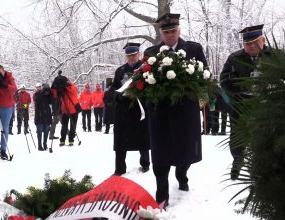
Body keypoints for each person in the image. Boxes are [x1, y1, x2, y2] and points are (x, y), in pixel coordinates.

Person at [143, 13, 207, 208]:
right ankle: (161, 196)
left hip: (185, 113)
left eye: (173, 31)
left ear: (179, 31)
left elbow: (204, 73)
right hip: (159, 114)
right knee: (160, 154)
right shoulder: (151, 52)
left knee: (184, 150)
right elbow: (143, 79)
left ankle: (182, 174)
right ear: (161, 33)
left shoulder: (193, 49)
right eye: (166, 32)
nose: (170, 35)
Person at [220, 24, 269, 180]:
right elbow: (224, 80)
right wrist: (240, 85)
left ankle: (262, 165)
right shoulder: (234, 58)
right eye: (248, 43)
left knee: (264, 135)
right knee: (237, 136)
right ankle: (237, 161)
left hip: (266, 105)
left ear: (263, 40)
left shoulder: (274, 55)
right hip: (241, 104)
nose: (252, 46)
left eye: (255, 42)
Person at [111, 42, 150, 176]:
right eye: (129, 56)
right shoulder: (120, 71)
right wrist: (118, 97)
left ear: (138, 54)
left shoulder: (145, 69)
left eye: (134, 55)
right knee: (121, 139)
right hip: (124, 110)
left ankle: (145, 164)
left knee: (143, 138)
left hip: (141, 109)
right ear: (126, 57)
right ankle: (120, 168)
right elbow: (114, 89)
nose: (132, 58)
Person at [52, 71, 80, 146]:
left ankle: (71, 140)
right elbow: (55, 95)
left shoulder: (72, 87)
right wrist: (58, 88)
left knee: (73, 126)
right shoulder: (62, 91)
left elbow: (74, 90)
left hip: (74, 110)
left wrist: (66, 86)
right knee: (64, 126)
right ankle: (62, 140)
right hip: (65, 110)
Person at [34, 83, 53, 151]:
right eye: (37, 87)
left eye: (39, 87)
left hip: (47, 115)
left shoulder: (46, 94)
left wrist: (50, 92)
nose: (38, 88)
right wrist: (24, 107)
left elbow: (51, 101)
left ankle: (45, 144)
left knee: (46, 130)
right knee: (39, 130)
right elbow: (36, 101)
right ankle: (39, 145)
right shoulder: (36, 94)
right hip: (39, 115)